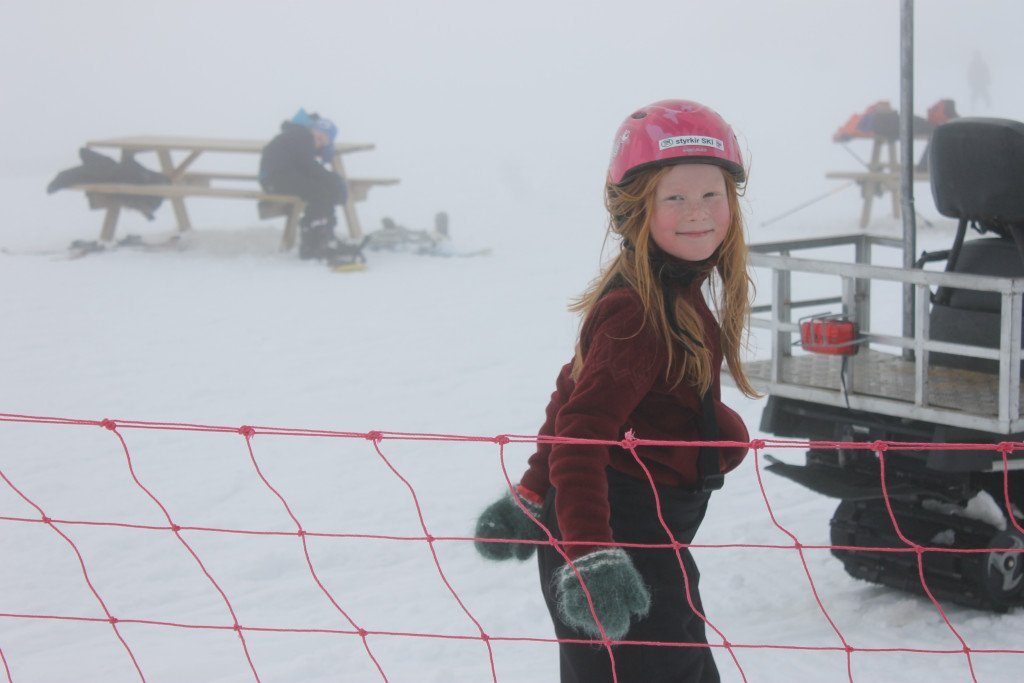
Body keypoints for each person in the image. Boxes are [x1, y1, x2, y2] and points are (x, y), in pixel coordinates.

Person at [473, 99, 758, 682]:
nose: (698, 212)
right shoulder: (639, 312)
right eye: (674, 198)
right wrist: (592, 560)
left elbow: (571, 387)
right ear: (635, 208)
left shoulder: (670, 291)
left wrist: (532, 489)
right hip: (614, 535)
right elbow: (579, 434)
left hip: (644, 534)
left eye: (712, 194)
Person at [259, 109, 350, 260]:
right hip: (277, 179)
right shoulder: (303, 136)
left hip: (278, 178)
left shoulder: (297, 135)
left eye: (322, 141)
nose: (317, 141)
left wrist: (330, 181)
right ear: (311, 130)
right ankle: (314, 241)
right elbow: (307, 165)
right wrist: (333, 180)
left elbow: (304, 166)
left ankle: (322, 234)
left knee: (321, 190)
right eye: (317, 137)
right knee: (320, 192)